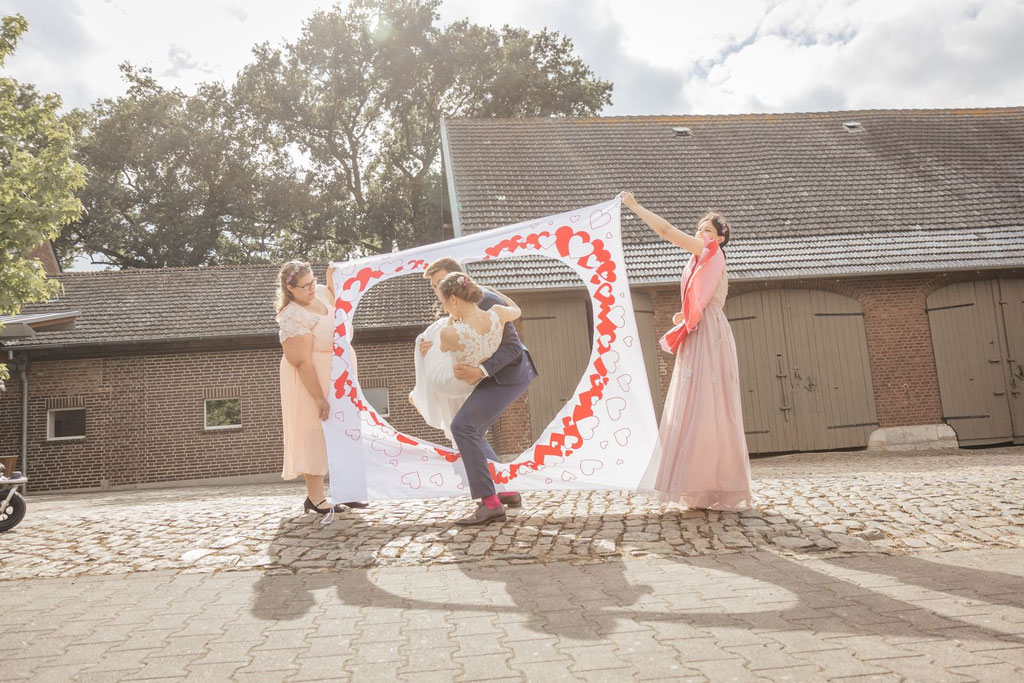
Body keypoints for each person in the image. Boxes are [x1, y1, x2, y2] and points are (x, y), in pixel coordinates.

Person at [622, 193, 752, 511]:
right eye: (699, 229)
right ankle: (699, 485)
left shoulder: (710, 252)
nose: (701, 234)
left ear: (720, 238)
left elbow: (666, 231)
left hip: (710, 334)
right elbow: (704, 297)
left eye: (708, 230)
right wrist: (685, 314)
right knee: (694, 404)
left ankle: (716, 483)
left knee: (706, 405)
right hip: (701, 330)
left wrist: (636, 207)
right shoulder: (701, 259)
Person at [416, 258, 538, 525]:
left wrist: (480, 372)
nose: (438, 292)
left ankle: (491, 502)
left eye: (440, 285)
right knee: (472, 430)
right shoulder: (470, 304)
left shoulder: (484, 301)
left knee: (463, 427)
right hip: (494, 377)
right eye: (435, 286)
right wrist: (428, 348)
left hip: (508, 374)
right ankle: (505, 490)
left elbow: (513, 348)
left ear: (456, 281)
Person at [275, 260, 367, 515]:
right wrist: (318, 397)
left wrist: (330, 278)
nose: (311, 289)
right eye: (304, 286)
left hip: (339, 373)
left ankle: (347, 490)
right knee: (315, 429)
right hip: (312, 377)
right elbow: (301, 360)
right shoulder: (291, 315)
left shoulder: (324, 294)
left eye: (312, 282)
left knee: (345, 429)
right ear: (290, 288)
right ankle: (315, 497)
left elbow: (340, 302)